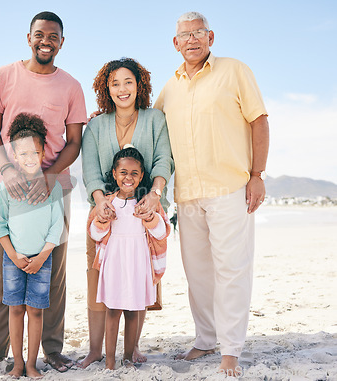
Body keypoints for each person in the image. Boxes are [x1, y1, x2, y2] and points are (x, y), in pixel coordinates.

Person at [0, 11, 87, 375]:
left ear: (62, 42)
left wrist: (49, 177)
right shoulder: (4, 77)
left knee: (52, 275)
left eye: (53, 36)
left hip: (54, 190)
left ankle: (51, 350)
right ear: (28, 37)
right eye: (39, 34)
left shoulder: (71, 86)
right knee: (6, 274)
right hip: (9, 190)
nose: (45, 41)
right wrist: (7, 170)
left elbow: (74, 141)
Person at [154, 11, 269, 377]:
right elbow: (149, 126)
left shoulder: (235, 70)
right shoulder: (170, 86)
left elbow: (259, 121)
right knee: (199, 275)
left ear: (210, 37)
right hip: (187, 195)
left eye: (198, 33)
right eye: (184, 35)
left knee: (232, 271)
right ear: (175, 43)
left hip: (230, 190)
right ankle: (206, 339)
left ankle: (231, 349)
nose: (191, 40)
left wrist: (257, 175)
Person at [81, 58, 173, 368]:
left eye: (128, 82)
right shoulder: (95, 125)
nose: (122, 89)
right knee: (99, 279)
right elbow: (91, 168)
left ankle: (132, 348)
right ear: (106, 88)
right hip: (105, 213)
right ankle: (96, 350)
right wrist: (99, 201)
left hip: (147, 209)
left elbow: (163, 160)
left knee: (140, 280)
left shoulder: (154, 118)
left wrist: (156, 195)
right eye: (115, 83)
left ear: (139, 86)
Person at [0, 113, 64, 378]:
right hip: (13, 259)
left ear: (44, 150)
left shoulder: (51, 187)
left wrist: (41, 257)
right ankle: (18, 363)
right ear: (13, 155)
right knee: (15, 310)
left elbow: (57, 226)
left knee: (35, 311)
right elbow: (0, 226)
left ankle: (32, 364)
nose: (30, 158)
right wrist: (13, 255)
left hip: (41, 258)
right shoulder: (6, 188)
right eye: (23, 154)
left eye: (35, 152)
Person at [87, 147, 170, 370]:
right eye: (123, 172)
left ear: (142, 176)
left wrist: (151, 218)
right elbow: (94, 234)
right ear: (114, 174)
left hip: (138, 261)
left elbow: (162, 232)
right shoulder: (107, 203)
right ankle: (111, 361)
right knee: (113, 310)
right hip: (115, 261)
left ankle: (128, 357)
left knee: (134, 311)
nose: (128, 178)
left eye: (134, 173)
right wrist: (103, 221)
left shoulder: (147, 203)